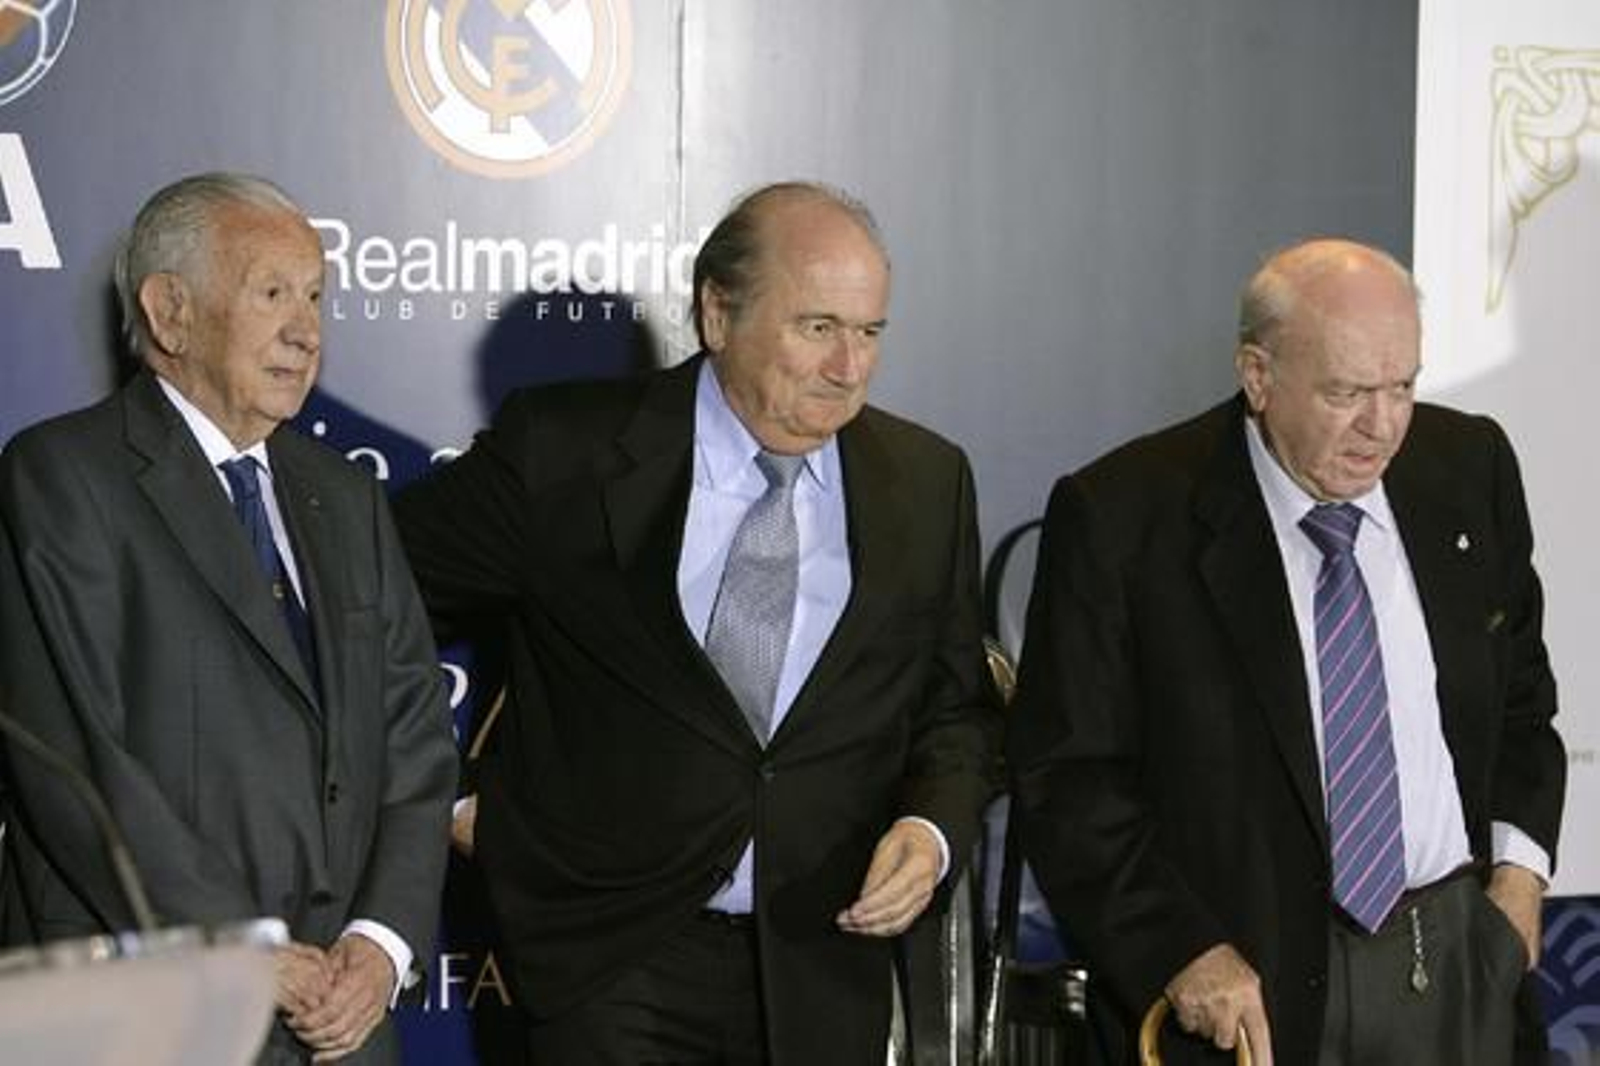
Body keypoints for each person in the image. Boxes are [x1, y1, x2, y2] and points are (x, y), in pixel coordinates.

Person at [393, 181, 995, 1064]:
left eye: (869, 333)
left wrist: (931, 829)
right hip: (610, 959)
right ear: (718, 314)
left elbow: (957, 710)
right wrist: (443, 792)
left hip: (823, 965)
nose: (849, 367)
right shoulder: (563, 453)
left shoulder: (927, 481)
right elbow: (355, 607)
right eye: (818, 327)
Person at [1008, 238, 1565, 1065]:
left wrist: (1517, 879)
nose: (1382, 426)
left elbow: (1522, 698)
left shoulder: (1468, 466)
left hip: (1455, 956)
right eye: (1346, 392)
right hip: (1246, 984)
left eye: (1402, 386)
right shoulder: (1125, 517)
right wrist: (1179, 950)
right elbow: (1068, 780)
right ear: (1258, 376)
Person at [0, 173, 458, 1064]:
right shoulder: (61, 477)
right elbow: (75, 758)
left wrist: (380, 943)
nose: (306, 330)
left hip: (339, 1024)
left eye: (316, 296)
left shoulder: (346, 497)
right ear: (170, 313)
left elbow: (414, 732)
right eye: (272, 293)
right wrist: (238, 947)